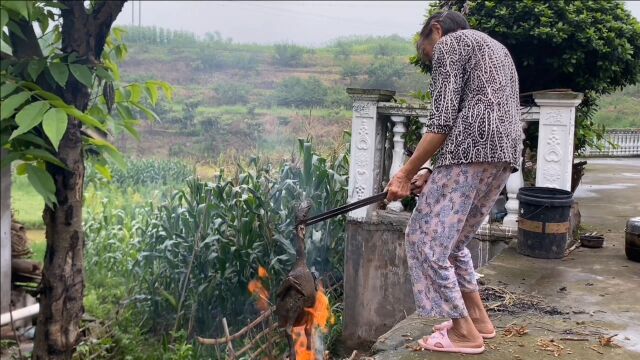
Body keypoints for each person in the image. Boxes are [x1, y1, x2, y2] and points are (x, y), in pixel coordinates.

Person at [385, 10, 523, 354]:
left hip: (469, 152)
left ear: (437, 30)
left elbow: (443, 120)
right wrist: (430, 170)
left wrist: (402, 174)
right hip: (503, 155)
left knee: (424, 240)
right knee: (454, 242)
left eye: (428, 53)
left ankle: (463, 333)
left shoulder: (451, 45)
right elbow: (476, 109)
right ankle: (478, 320)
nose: (433, 60)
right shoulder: (497, 48)